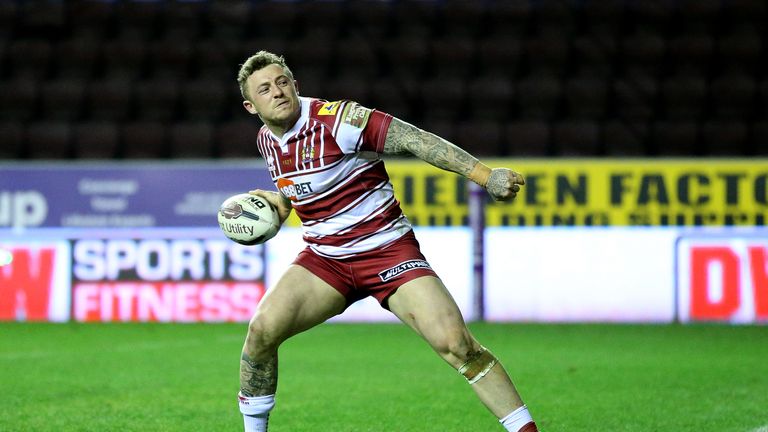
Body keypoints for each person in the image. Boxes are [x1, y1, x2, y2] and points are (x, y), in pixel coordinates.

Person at [235, 50, 537, 432]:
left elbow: (415, 139)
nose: (277, 92)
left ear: (296, 85)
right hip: (326, 260)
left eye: (282, 82)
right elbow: (310, 191)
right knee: (261, 332)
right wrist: (278, 204)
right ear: (251, 106)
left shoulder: (339, 121)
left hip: (387, 253)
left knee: (459, 346)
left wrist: (484, 175)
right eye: (265, 89)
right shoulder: (267, 140)